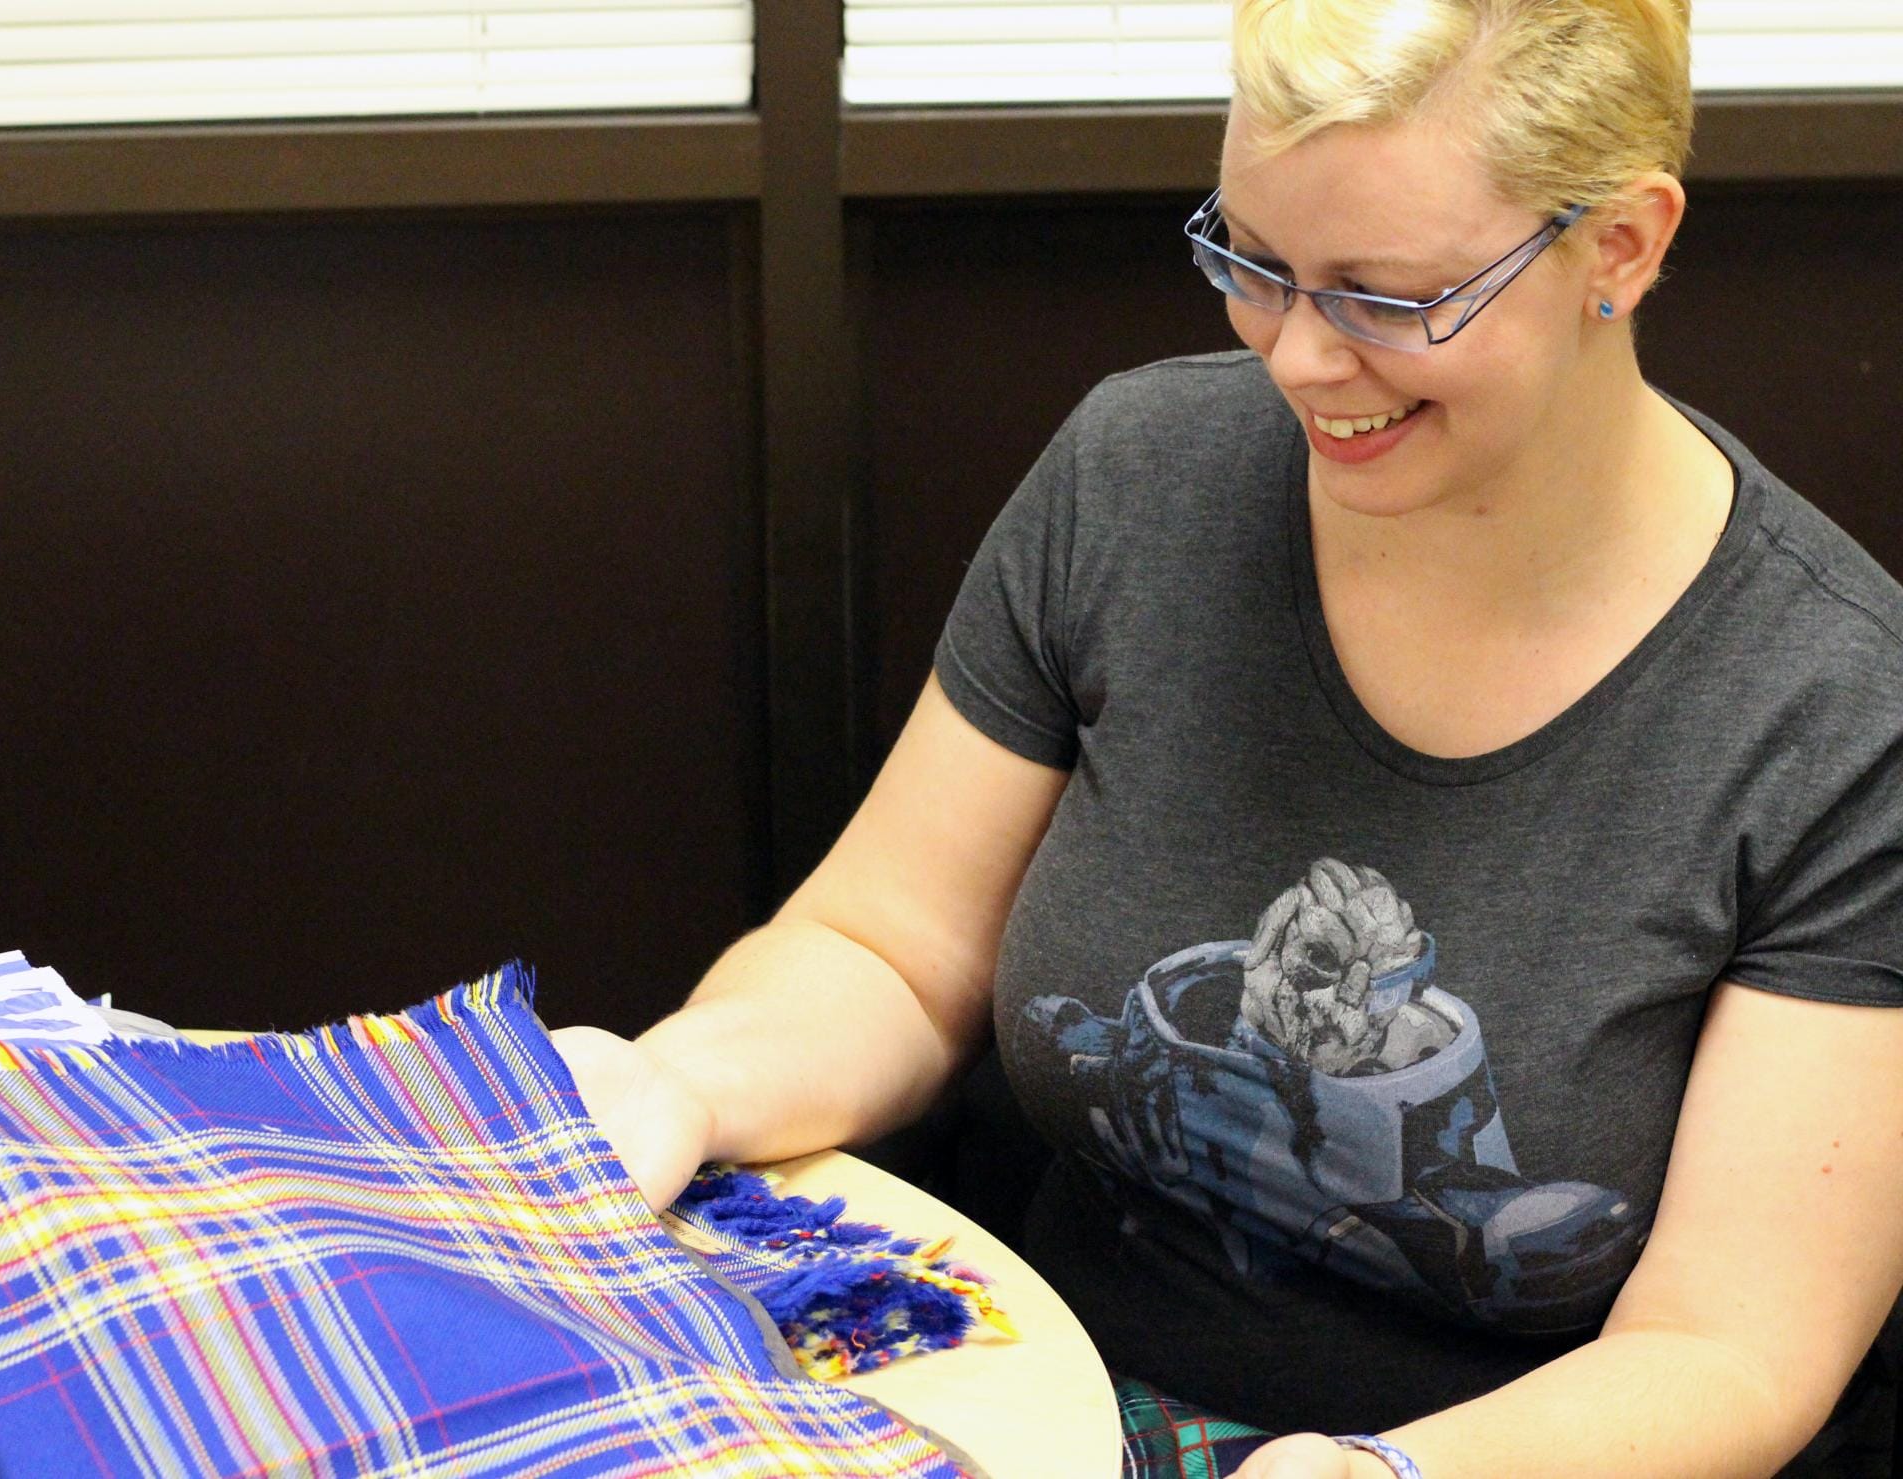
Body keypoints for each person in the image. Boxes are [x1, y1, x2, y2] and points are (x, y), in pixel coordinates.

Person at [556, 1, 1903, 1474]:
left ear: (1623, 248)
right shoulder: (1138, 478)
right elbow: (890, 948)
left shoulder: (1838, 714)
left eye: (1387, 298)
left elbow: (1727, 1347)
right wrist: (684, 1080)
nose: (1300, 359)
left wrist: (1378, 1472)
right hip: (1044, 1392)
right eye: (1254, 264)